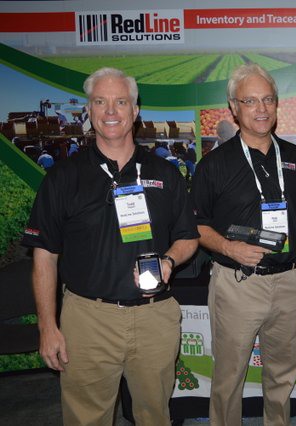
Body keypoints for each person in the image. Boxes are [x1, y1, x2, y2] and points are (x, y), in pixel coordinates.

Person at [22, 67, 199, 425]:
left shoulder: (164, 173)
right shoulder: (63, 177)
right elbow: (44, 257)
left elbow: (188, 237)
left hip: (154, 318)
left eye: (121, 102)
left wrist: (168, 261)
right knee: (86, 418)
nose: (111, 111)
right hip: (88, 319)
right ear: (89, 110)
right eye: (100, 102)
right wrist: (47, 327)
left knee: (155, 415)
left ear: (136, 110)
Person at [190, 63, 296, 425]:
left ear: (276, 104)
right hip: (238, 285)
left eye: (268, 99)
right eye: (250, 101)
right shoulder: (214, 164)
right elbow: (195, 225)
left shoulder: (293, 156)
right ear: (234, 108)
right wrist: (228, 248)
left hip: (289, 282)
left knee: (283, 373)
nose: (261, 108)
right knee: (229, 375)